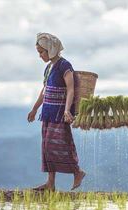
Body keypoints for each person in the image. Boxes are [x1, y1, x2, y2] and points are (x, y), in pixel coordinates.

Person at [27, 32, 86, 191]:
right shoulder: (48, 68)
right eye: (39, 52)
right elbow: (44, 91)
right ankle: (50, 183)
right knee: (47, 147)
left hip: (60, 114)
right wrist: (34, 109)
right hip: (48, 113)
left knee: (62, 145)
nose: (40, 55)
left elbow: (71, 89)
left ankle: (77, 172)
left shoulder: (64, 66)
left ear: (51, 50)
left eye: (41, 52)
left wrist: (67, 110)